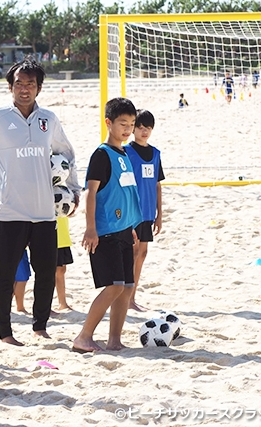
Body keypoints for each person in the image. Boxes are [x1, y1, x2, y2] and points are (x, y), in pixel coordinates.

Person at [0, 58, 81, 346]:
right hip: (9, 212)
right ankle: (5, 333)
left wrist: (74, 191)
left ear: (38, 88)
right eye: (19, 83)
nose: (24, 89)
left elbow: (68, 154)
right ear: (10, 86)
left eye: (30, 84)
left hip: (44, 212)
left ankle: (40, 326)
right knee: (4, 275)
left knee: (45, 274)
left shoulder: (49, 120)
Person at [72, 98, 142, 353]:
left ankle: (114, 341)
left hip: (123, 230)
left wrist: (130, 225)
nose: (127, 129)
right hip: (105, 232)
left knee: (126, 288)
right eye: (123, 123)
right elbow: (91, 192)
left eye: (131, 124)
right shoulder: (102, 154)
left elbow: (125, 192)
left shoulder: (124, 153)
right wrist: (90, 228)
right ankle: (83, 336)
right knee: (113, 286)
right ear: (108, 123)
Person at [124, 110, 164, 312]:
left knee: (142, 253)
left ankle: (132, 297)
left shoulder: (156, 154)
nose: (144, 131)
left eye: (147, 128)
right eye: (140, 127)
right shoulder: (126, 152)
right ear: (133, 129)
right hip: (132, 214)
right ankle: (125, 299)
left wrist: (160, 216)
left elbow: (157, 185)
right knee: (131, 254)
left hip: (148, 214)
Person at [0, 190, 31, 314]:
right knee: (19, 278)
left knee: (19, 277)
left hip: (14, 241)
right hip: (11, 242)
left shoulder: (0, 194)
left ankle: (15, 306)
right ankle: (19, 307)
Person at [54, 216, 74, 311]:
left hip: (63, 235)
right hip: (51, 234)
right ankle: (45, 305)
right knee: (50, 272)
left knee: (61, 270)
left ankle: (62, 303)